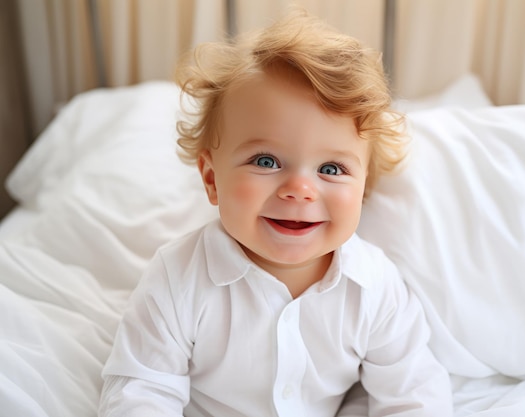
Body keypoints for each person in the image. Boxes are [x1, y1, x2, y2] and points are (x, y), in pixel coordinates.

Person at [99, 10, 453, 417]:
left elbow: (414, 393)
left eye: (331, 169)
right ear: (212, 180)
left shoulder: (374, 287)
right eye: (266, 161)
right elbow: (141, 392)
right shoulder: (177, 280)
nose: (300, 190)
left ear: (363, 189)